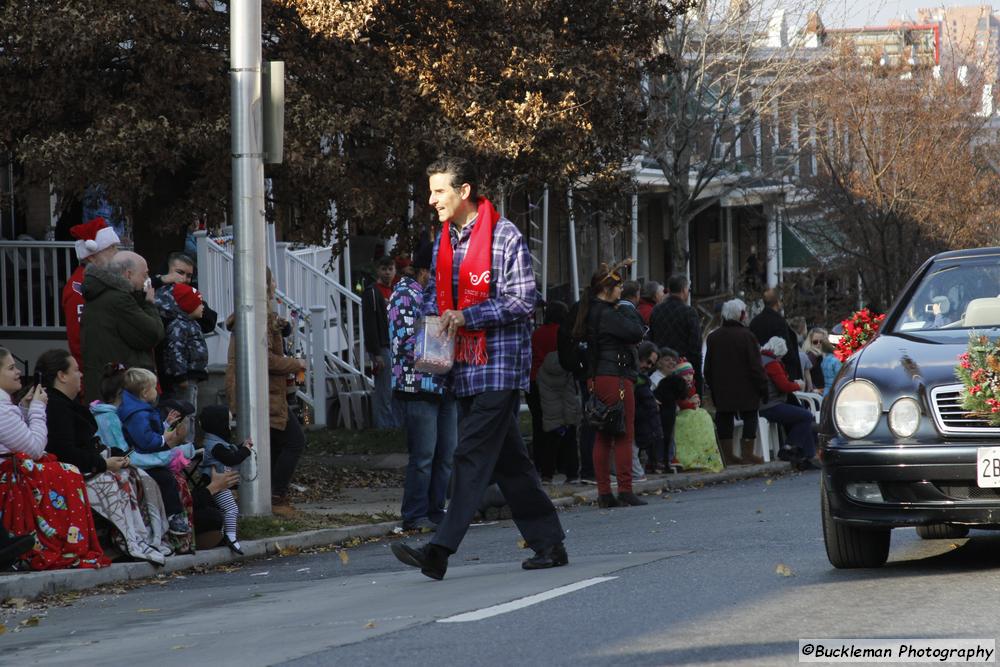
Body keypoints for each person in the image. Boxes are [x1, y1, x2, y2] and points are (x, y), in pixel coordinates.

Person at [391, 156, 566, 580]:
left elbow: (524, 300)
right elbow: (438, 306)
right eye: (430, 191)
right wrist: (430, 359)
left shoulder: (505, 236)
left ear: (464, 191)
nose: (431, 200)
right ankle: (549, 543)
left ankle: (439, 549)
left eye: (439, 191)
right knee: (509, 464)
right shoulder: (443, 243)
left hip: (500, 369)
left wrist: (469, 317)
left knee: (468, 454)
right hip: (464, 370)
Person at [39, 350, 171, 564]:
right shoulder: (54, 406)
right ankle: (126, 540)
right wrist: (103, 463)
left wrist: (115, 456)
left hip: (88, 463)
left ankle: (150, 537)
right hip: (69, 471)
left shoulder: (66, 404)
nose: (81, 375)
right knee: (119, 479)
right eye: (75, 370)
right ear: (61, 376)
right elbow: (64, 450)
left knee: (139, 475)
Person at [0, 347, 110, 570]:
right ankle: (62, 542)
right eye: (11, 368)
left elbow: (17, 435)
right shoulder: (2, 407)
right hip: (8, 472)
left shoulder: (6, 406)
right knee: (66, 471)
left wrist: (25, 408)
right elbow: (34, 448)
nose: (19, 372)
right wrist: (39, 408)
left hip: (11, 466)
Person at [226, 268, 308, 517]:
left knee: (272, 444)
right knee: (295, 441)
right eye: (272, 281)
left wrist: (280, 326)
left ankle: (267, 495)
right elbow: (264, 358)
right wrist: (297, 364)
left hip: (269, 392)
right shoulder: (256, 316)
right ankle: (274, 495)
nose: (275, 285)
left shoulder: (260, 315)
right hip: (262, 393)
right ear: (265, 285)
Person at [387, 242, 458, 532]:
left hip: (444, 384)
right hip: (416, 386)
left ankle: (436, 509)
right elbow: (403, 343)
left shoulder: (440, 295)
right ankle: (415, 513)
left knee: (446, 454)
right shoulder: (405, 295)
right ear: (426, 270)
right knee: (424, 454)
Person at [574, 261, 646, 508]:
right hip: (616, 375)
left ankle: (605, 492)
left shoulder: (591, 311)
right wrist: (626, 309)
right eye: (618, 287)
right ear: (607, 290)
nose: (621, 291)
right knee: (624, 433)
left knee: (603, 435)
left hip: (598, 377)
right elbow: (636, 332)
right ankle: (625, 489)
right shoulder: (609, 314)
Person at [80, 251, 165, 403]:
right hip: (122, 393)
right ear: (128, 274)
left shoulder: (99, 295)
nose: (147, 281)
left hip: (106, 386)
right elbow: (153, 334)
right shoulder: (119, 300)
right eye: (144, 275)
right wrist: (149, 304)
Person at [117, 367, 191, 536]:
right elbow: (146, 440)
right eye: (154, 387)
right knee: (166, 479)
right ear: (144, 392)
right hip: (141, 459)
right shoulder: (138, 413)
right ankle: (173, 517)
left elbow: (148, 432)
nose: (157, 391)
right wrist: (165, 438)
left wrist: (165, 424)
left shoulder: (137, 410)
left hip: (143, 455)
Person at [704, 299, 768, 466]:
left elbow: (707, 367)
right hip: (747, 388)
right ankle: (747, 453)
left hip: (722, 388)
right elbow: (756, 366)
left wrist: (713, 387)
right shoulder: (747, 336)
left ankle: (727, 455)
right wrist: (763, 387)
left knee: (724, 417)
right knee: (750, 416)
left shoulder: (713, 337)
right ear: (741, 315)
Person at [62, 217, 120, 374]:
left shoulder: (101, 280)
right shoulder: (78, 288)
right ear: (92, 256)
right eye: (111, 248)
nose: (117, 253)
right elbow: (80, 341)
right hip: (96, 375)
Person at [655, 348, 723, 472]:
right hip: (676, 414)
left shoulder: (688, 385)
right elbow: (679, 401)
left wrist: (695, 402)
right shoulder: (666, 381)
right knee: (690, 423)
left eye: (690, 374)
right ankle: (685, 457)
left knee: (704, 418)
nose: (688, 377)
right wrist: (690, 403)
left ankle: (703, 456)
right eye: (667, 360)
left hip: (683, 412)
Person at [536, 302, 581, 484]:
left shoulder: (537, 334)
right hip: (564, 382)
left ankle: (544, 470)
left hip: (539, 381)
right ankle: (570, 470)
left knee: (544, 428)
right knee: (568, 428)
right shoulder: (564, 333)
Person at [199, 405, 253, 554]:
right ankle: (231, 536)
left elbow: (228, 451)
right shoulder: (215, 445)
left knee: (224, 510)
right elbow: (230, 458)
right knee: (231, 509)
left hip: (217, 484)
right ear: (219, 425)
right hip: (217, 485)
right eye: (227, 423)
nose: (229, 427)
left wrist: (241, 447)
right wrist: (245, 451)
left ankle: (223, 535)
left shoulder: (214, 443)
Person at [759, 336, 819, 470]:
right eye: (781, 357)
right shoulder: (772, 363)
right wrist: (798, 385)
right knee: (806, 416)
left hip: (763, 404)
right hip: (771, 405)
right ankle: (788, 448)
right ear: (779, 353)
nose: (781, 359)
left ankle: (807, 456)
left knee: (804, 416)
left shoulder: (760, 359)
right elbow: (784, 386)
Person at [528, 301, 567, 481]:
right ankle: (549, 470)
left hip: (534, 380)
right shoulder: (562, 333)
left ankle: (537, 465)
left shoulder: (536, 334)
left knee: (538, 426)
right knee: (553, 427)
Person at [649, 274, 703, 396]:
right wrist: (696, 374)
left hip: (661, 368)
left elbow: (651, 339)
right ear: (684, 290)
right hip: (683, 368)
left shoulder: (656, 310)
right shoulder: (689, 312)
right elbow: (695, 346)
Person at [363, 255, 400, 429]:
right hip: (381, 346)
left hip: (395, 345)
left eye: (390, 269)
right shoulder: (372, 292)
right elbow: (369, 324)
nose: (387, 273)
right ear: (378, 270)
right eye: (384, 269)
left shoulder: (396, 291)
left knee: (394, 390)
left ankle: (393, 426)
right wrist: (375, 352)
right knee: (384, 391)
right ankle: (384, 429)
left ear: (395, 271)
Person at [160, 282, 209, 411]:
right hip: (184, 378)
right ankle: (184, 432)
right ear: (189, 306)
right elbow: (175, 351)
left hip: (191, 376)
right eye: (199, 303)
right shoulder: (179, 326)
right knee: (184, 412)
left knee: (190, 412)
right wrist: (180, 376)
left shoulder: (192, 324)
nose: (203, 306)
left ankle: (188, 431)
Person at [748, 288, 803, 382]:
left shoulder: (754, 322)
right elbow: (786, 348)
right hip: (780, 370)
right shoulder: (779, 322)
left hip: (759, 368)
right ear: (777, 302)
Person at [634, 342, 663, 475]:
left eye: (652, 364)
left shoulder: (643, 378)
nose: (648, 366)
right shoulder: (637, 378)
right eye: (648, 362)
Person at [802, 327, 829, 395]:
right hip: (818, 393)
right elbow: (805, 374)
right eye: (815, 342)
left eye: (821, 341)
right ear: (810, 342)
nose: (818, 344)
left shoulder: (824, 355)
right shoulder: (812, 355)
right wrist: (814, 390)